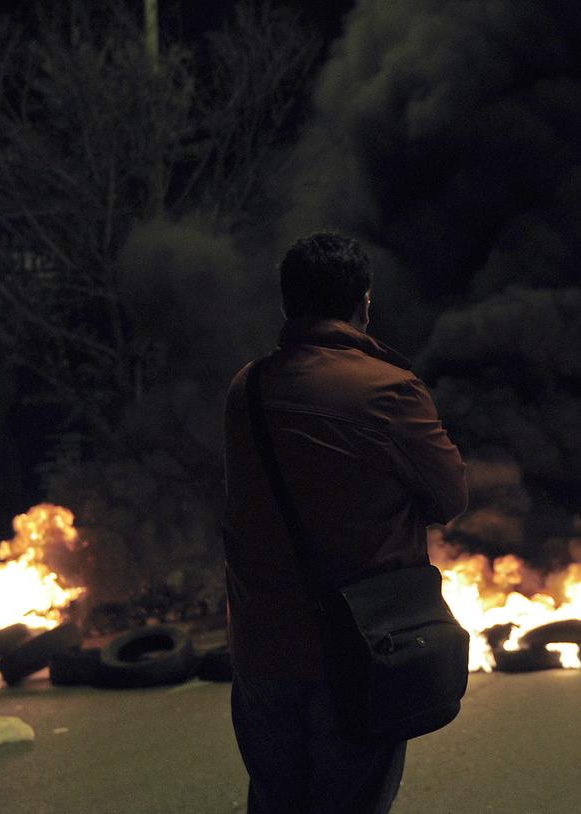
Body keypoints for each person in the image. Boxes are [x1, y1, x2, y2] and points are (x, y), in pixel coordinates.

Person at [222, 230, 468, 813]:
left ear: (288, 306)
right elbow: (449, 496)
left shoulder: (246, 388)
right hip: (358, 650)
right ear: (364, 302)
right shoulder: (388, 390)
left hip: (261, 650)